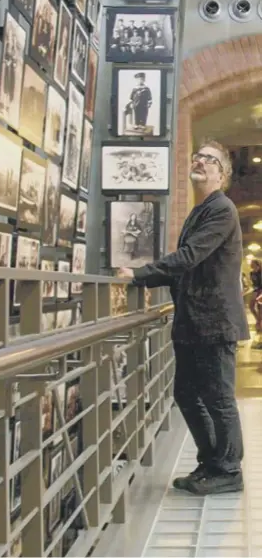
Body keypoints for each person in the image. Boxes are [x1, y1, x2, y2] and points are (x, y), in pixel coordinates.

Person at [120, 140, 249, 496]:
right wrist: (140, 275)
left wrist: (142, 275)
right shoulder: (200, 211)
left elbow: (190, 256)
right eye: (198, 156)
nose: (200, 161)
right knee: (187, 394)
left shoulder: (222, 209)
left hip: (214, 321)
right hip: (194, 321)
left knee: (219, 397)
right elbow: (183, 266)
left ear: (221, 174)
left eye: (209, 159)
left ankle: (228, 470)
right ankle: (211, 462)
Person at [249, 259, 262, 332]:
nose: (251, 264)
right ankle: (258, 320)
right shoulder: (251, 273)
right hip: (255, 290)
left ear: (257, 264)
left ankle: (259, 323)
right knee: (251, 306)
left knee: (260, 307)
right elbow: (253, 283)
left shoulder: (261, 272)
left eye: (252, 262)